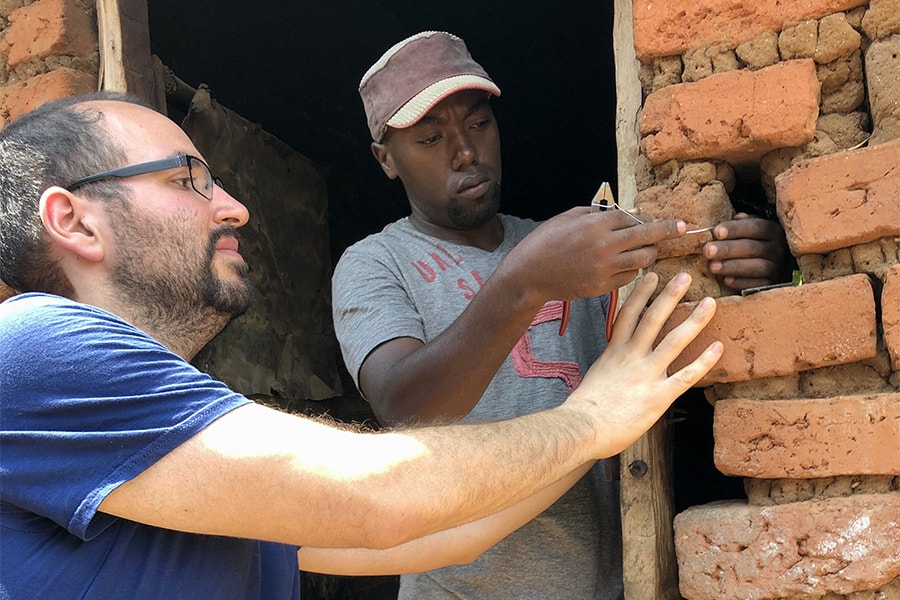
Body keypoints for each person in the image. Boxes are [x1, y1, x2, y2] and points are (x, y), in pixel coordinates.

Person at [0, 92, 726, 599]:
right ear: (74, 220)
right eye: (190, 178)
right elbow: (377, 500)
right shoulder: (34, 346)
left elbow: (449, 537)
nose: (234, 206)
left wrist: (609, 418)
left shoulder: (180, 467)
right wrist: (593, 418)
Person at [332, 31, 790, 599]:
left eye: (478, 124)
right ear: (386, 160)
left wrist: (756, 268)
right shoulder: (377, 262)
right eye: (430, 138)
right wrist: (525, 282)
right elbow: (403, 404)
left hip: (612, 585)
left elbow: (678, 334)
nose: (466, 153)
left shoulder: (571, 246)